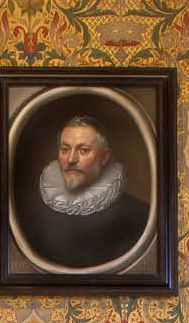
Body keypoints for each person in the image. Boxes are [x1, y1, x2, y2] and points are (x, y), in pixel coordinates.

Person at [10, 112, 151, 272]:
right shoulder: (31, 215)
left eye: (83, 150)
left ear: (105, 156)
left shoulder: (137, 215)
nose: (71, 159)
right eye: (65, 149)